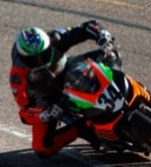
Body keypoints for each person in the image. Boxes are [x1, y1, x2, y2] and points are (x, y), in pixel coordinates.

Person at [9, 19, 115, 157]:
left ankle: (120, 88)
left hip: (68, 70)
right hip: (48, 98)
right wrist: (44, 113)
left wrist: (102, 36)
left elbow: (86, 27)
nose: (40, 62)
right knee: (42, 148)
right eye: (33, 60)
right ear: (23, 58)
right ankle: (80, 128)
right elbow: (24, 113)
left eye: (44, 54)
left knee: (110, 56)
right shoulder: (17, 76)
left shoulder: (55, 38)